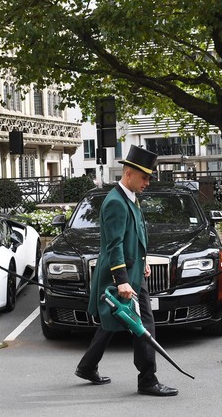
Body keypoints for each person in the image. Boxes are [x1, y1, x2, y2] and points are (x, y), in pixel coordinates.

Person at [75, 145, 178, 397]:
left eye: (150, 177)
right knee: (144, 324)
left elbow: (136, 233)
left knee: (113, 322)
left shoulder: (129, 198)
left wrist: (143, 260)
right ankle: (147, 381)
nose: (148, 182)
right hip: (122, 277)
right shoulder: (116, 203)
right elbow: (114, 244)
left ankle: (87, 367)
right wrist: (121, 280)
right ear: (129, 173)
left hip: (133, 273)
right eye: (144, 177)